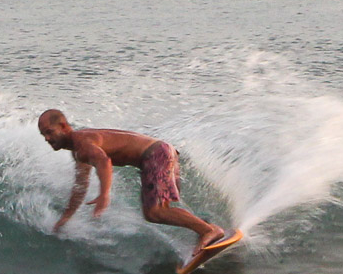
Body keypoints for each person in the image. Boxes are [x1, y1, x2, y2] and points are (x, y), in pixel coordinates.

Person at [38, 108, 230, 258]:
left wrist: (104, 194)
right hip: (160, 151)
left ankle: (209, 230)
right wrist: (66, 216)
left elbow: (104, 161)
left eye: (49, 132)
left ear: (63, 126)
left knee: (155, 211)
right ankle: (204, 227)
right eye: (43, 135)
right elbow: (80, 185)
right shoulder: (79, 150)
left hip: (155, 154)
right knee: (157, 211)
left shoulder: (83, 144)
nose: (47, 138)